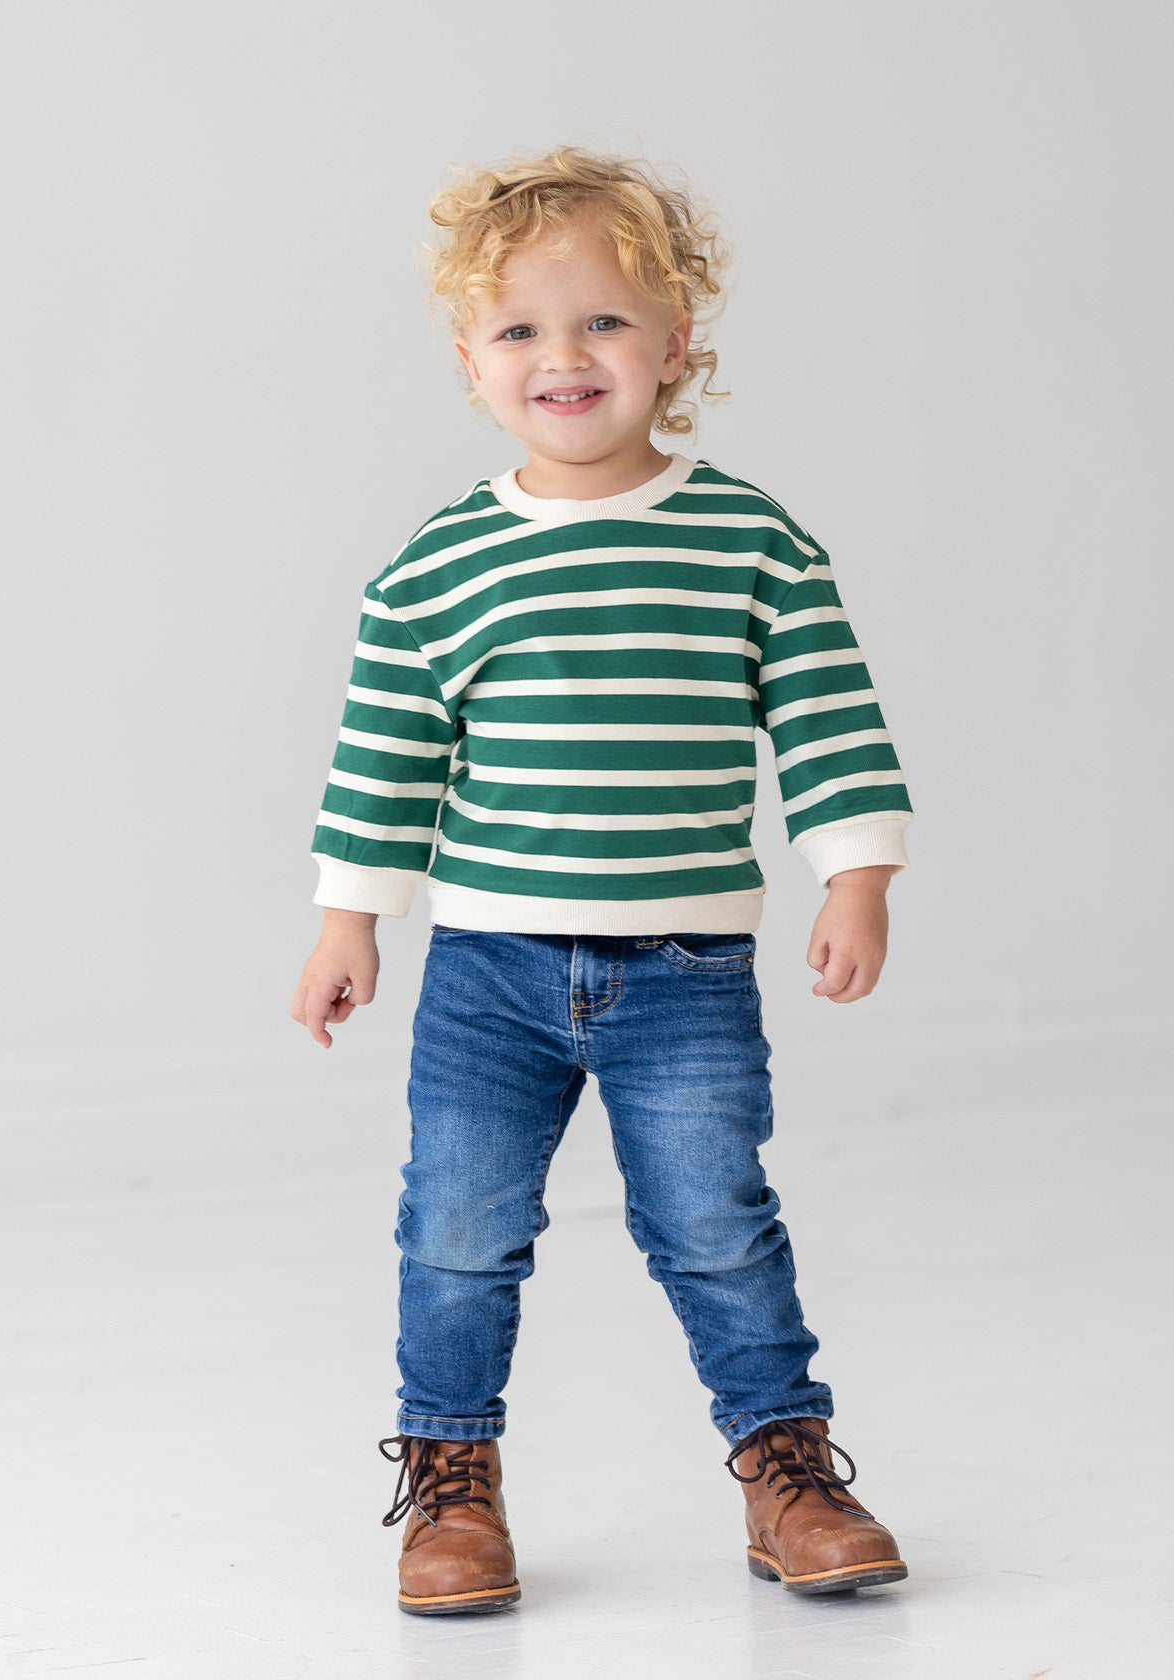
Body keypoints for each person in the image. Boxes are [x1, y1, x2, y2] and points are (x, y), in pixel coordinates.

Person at [289, 144, 914, 1617]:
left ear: (677, 340)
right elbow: (382, 750)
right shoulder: (439, 565)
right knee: (457, 1225)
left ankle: (788, 1468)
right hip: (489, 970)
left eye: (605, 323)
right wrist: (345, 917)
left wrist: (856, 875)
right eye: (520, 332)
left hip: (685, 970)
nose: (563, 358)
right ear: (471, 363)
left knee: (713, 1221)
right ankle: (450, 1482)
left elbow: (828, 718)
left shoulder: (749, 538)